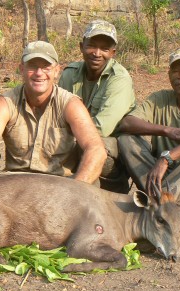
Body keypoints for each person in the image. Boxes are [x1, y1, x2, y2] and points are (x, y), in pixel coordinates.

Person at [0, 41, 106, 184]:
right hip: (15, 183)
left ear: (56, 71)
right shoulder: (5, 103)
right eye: (32, 66)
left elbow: (96, 149)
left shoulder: (70, 104)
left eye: (46, 67)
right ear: (22, 69)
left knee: (92, 181)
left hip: (60, 184)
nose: (39, 73)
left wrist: (76, 188)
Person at [118, 48, 180, 220]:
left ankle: (162, 200)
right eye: (176, 71)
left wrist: (166, 158)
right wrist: (168, 130)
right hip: (158, 180)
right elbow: (127, 123)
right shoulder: (159, 99)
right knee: (126, 139)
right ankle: (167, 203)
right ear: (169, 74)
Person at [59, 19, 136, 193]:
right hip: (76, 138)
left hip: (111, 144)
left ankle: (104, 192)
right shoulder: (70, 74)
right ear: (81, 46)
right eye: (92, 46)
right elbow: (57, 113)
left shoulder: (119, 79)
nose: (97, 53)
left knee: (95, 147)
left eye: (105, 49)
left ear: (113, 53)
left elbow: (103, 127)